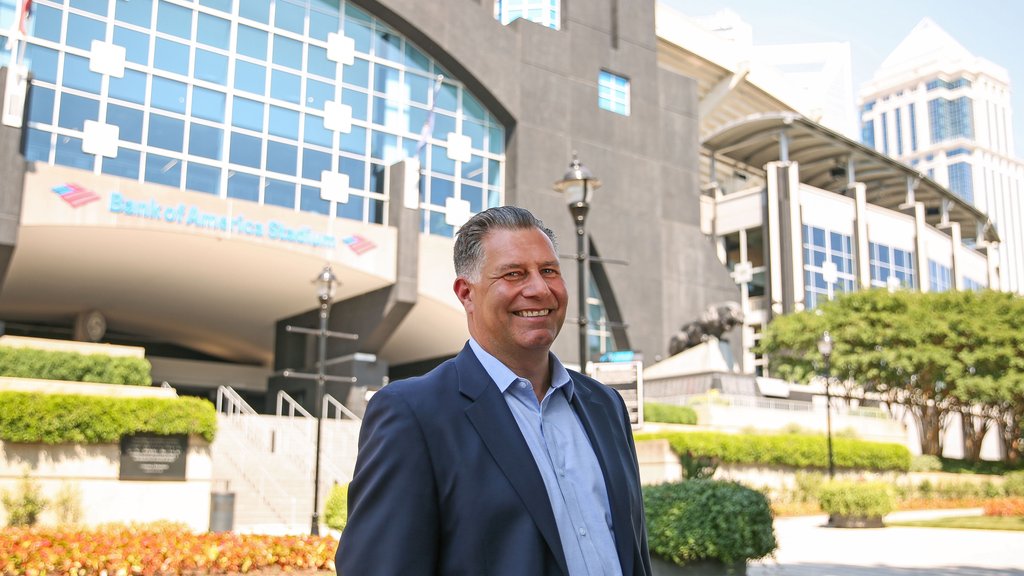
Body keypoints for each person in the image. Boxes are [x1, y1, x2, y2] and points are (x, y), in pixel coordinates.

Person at [336, 206, 652, 576]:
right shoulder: (413, 415)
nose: (539, 288)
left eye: (548, 271)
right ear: (466, 293)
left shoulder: (606, 406)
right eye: (514, 274)